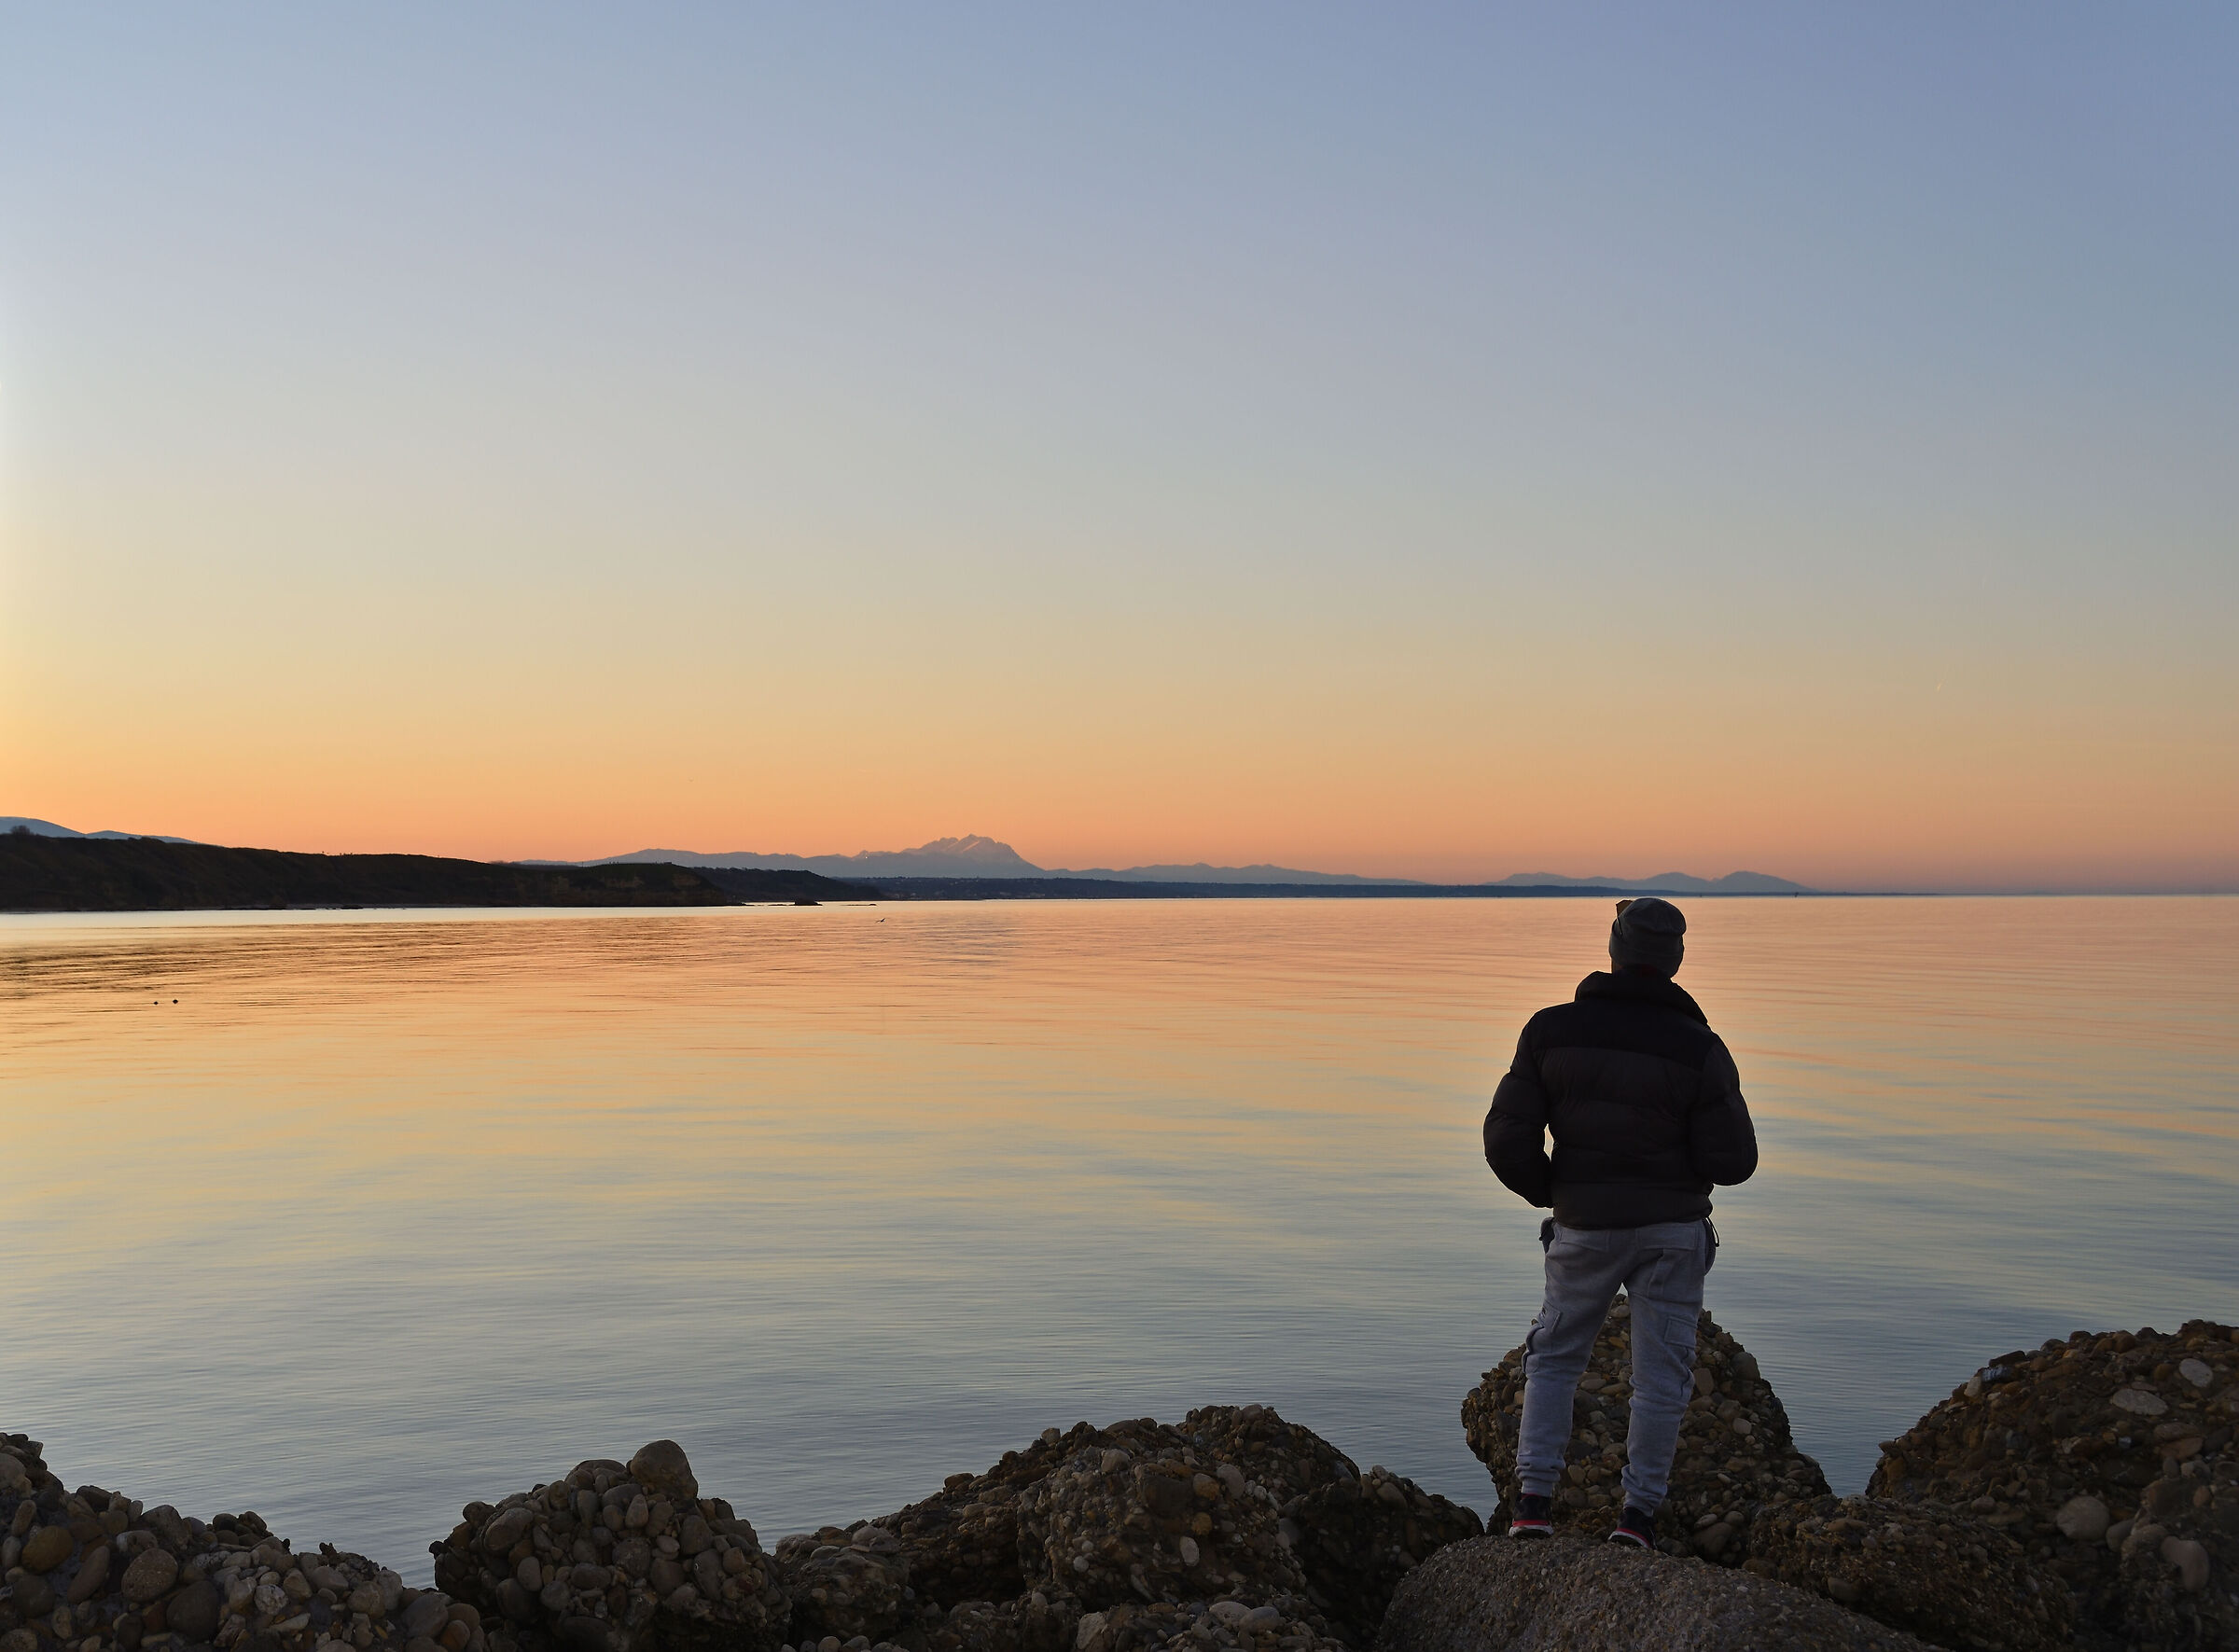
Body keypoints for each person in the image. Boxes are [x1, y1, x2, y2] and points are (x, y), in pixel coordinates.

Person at [1482, 896, 1758, 1550]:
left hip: (1584, 1225)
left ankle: (1533, 1504)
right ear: (1676, 960)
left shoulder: (1550, 1030)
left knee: (1553, 1360)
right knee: (1661, 1376)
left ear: (1613, 949)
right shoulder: (1701, 1048)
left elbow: (1505, 1137)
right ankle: (1636, 1518)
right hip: (1672, 1231)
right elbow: (1735, 1160)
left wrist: (1554, 1191)